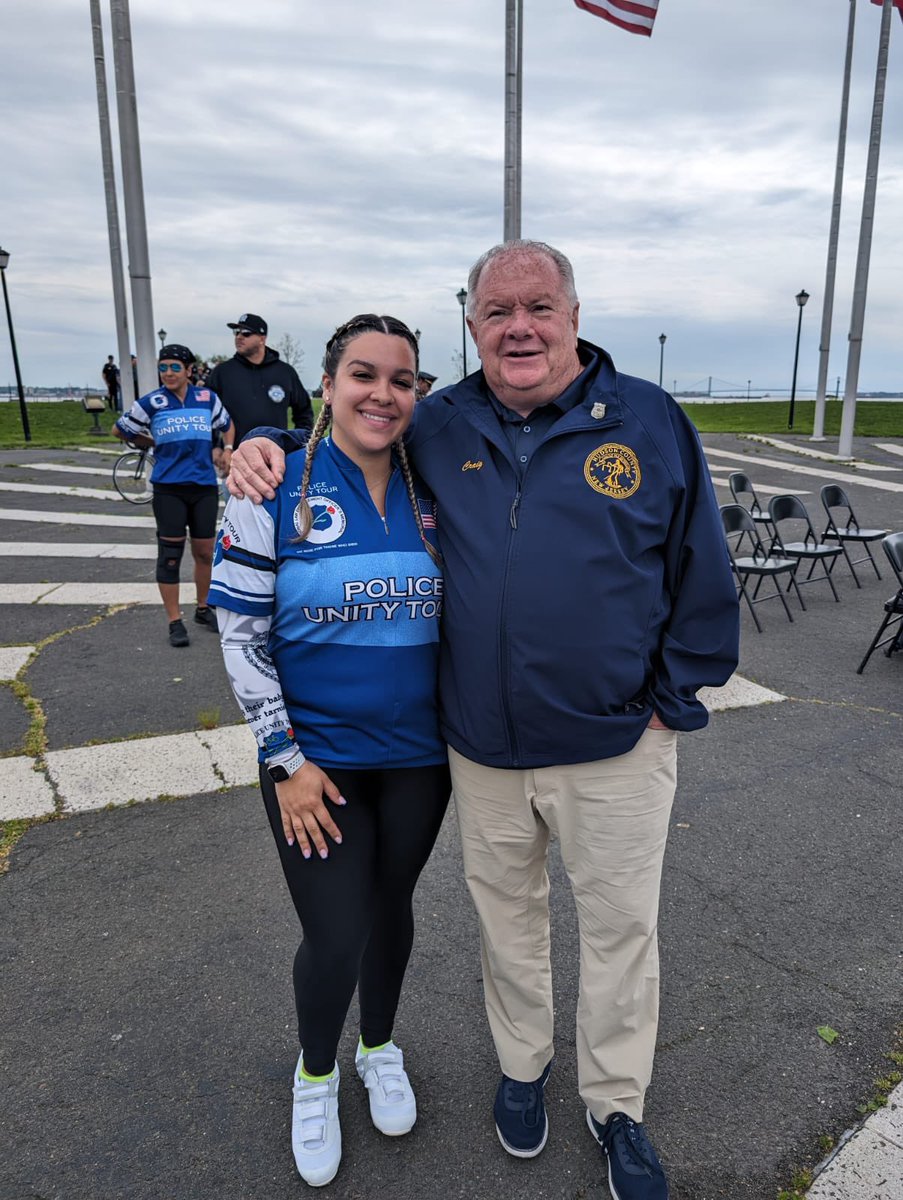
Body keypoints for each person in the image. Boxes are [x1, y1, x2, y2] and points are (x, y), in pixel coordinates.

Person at [227, 242, 740, 1200]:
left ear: (574, 313)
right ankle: (520, 1071)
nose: (519, 327)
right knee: (506, 924)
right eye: (497, 310)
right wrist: (258, 451)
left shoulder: (649, 420)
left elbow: (698, 572)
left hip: (615, 746)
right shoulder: (440, 421)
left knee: (621, 930)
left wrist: (671, 703)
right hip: (479, 751)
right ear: (471, 327)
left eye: (538, 306)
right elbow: (345, 441)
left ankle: (615, 1102)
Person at [207, 314, 449, 1188]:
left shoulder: (435, 486)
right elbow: (240, 634)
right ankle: (316, 1074)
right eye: (363, 374)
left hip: (420, 759)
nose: (382, 394)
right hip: (317, 764)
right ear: (331, 383)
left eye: (401, 379)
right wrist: (283, 759)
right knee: (336, 930)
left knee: (393, 910)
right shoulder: (272, 484)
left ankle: (378, 1047)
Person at [114, 343, 234, 647]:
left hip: (203, 486)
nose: (168, 373)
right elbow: (120, 430)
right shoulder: (152, 401)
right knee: (170, 556)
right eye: (163, 367)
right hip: (169, 488)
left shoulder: (207, 398)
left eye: (174, 367)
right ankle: (174, 621)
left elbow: (227, 425)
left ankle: (204, 609)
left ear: (189, 371)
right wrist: (150, 443)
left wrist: (228, 448)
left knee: (205, 552)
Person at [205, 312, 314, 447]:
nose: (239, 337)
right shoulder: (222, 372)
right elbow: (206, 413)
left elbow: (304, 412)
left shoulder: (285, 372)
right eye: (236, 332)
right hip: (233, 457)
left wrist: (300, 444)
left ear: (262, 338)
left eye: (246, 333)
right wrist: (215, 446)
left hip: (276, 457)